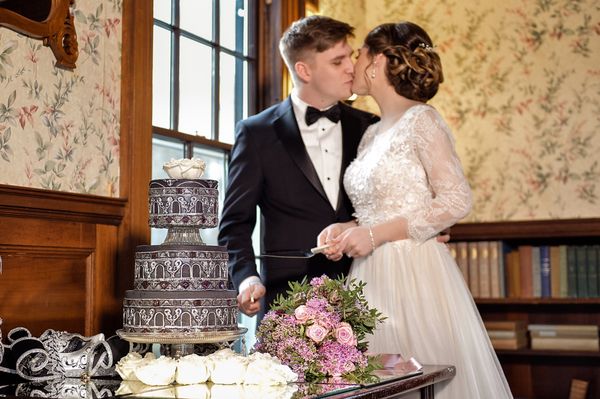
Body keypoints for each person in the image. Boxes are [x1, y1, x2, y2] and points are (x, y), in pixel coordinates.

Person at [319, 22, 513, 398]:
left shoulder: (423, 120)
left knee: (420, 378)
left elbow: (456, 199)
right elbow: (384, 206)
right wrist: (345, 228)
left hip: (413, 274)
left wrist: (373, 235)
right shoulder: (374, 132)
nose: (353, 64)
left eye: (358, 54)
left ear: (377, 63)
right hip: (368, 276)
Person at [218, 15, 379, 320]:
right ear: (304, 70)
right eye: (338, 61)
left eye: (349, 56)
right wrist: (246, 278)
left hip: (368, 291)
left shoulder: (370, 126)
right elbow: (234, 224)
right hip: (288, 300)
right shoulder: (256, 133)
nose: (351, 67)